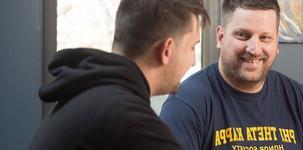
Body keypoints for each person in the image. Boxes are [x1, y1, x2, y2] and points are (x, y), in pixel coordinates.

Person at [29, 0, 209, 149]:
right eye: (192, 47)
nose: (193, 61)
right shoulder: (130, 123)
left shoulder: (86, 96)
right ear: (167, 50)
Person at [159, 0, 303, 149]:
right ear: (221, 37)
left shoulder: (299, 100)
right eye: (243, 35)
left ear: (276, 43)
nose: (254, 49)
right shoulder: (185, 104)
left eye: (265, 38)